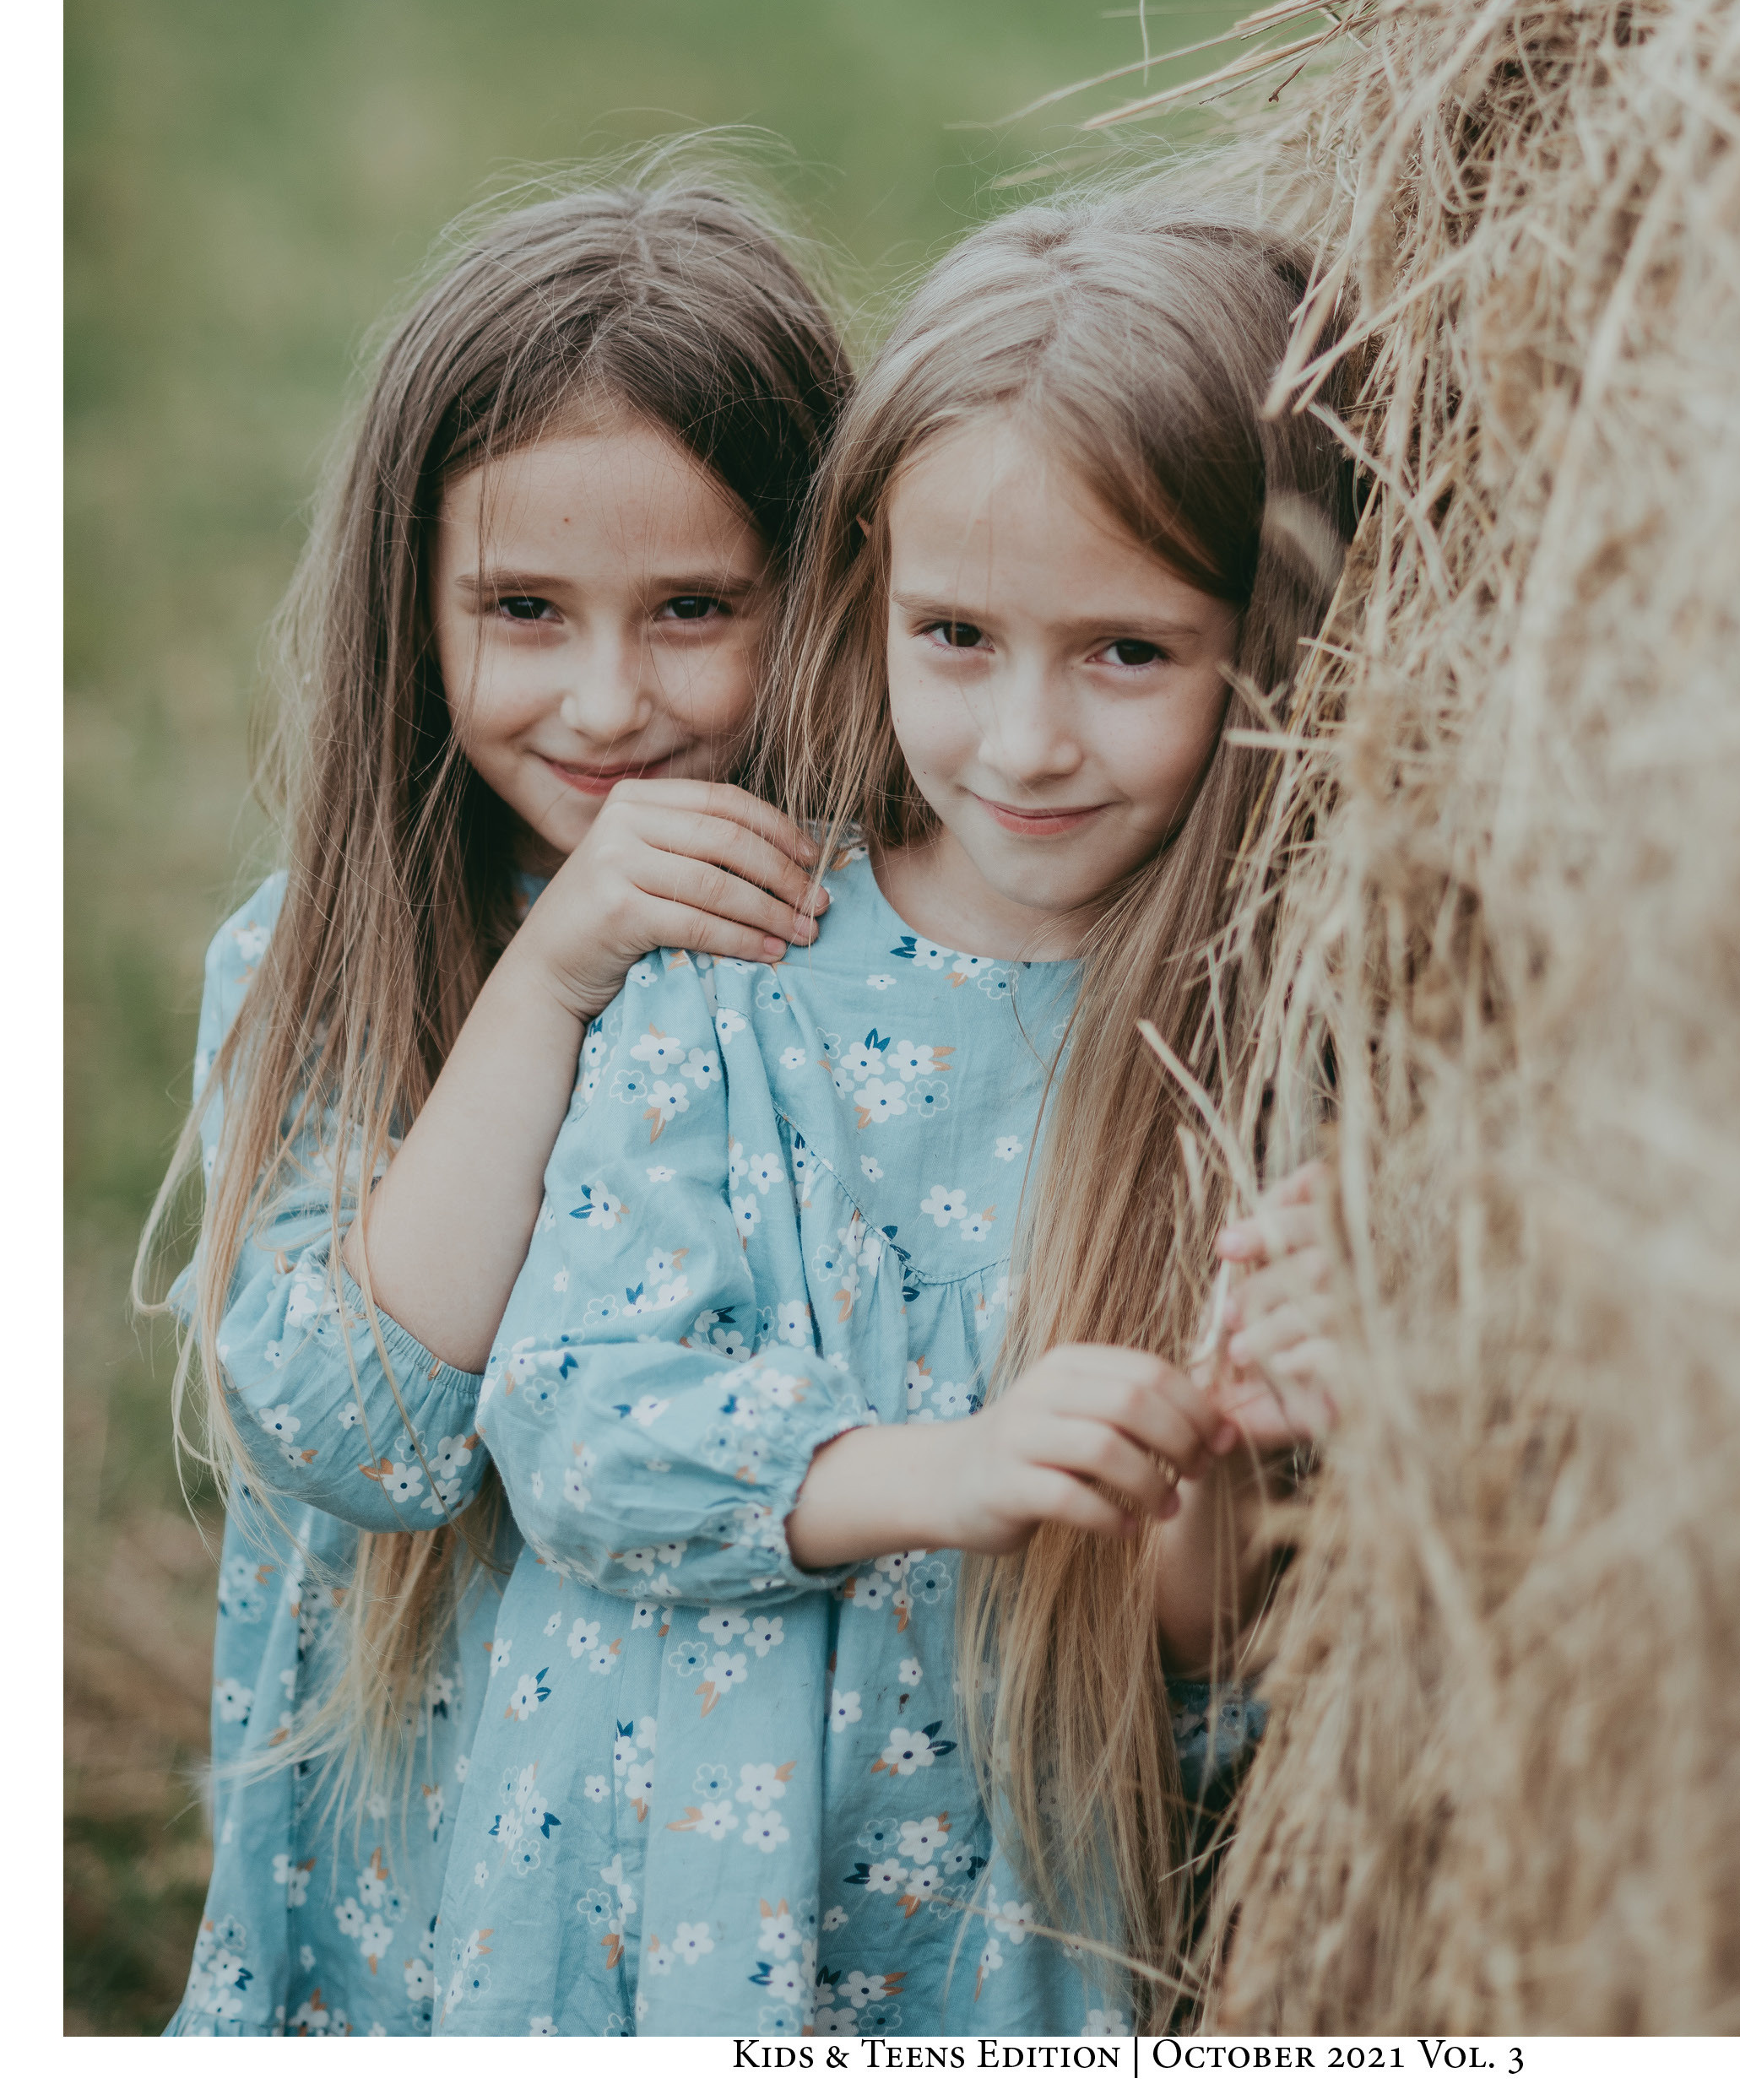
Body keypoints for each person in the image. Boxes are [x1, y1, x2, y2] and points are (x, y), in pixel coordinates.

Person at [409, 193, 1358, 2036]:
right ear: (867, 591)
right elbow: (574, 1417)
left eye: (1127, 651)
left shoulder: (1252, 1066)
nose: (1024, 738)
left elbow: (1210, 1663)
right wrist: (949, 1468)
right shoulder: (736, 955)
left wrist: (1232, 1465)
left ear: (1270, 640)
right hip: (665, 1900)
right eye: (959, 635)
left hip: (996, 1929)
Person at [134, 158, 855, 2033]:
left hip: (756, 1846)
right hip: (434, 1863)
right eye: (524, 608)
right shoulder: (324, 958)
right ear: (414, 607)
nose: (606, 702)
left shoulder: (867, 954)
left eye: (692, 607)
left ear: (826, 587)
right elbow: (362, 1425)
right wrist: (550, 974)